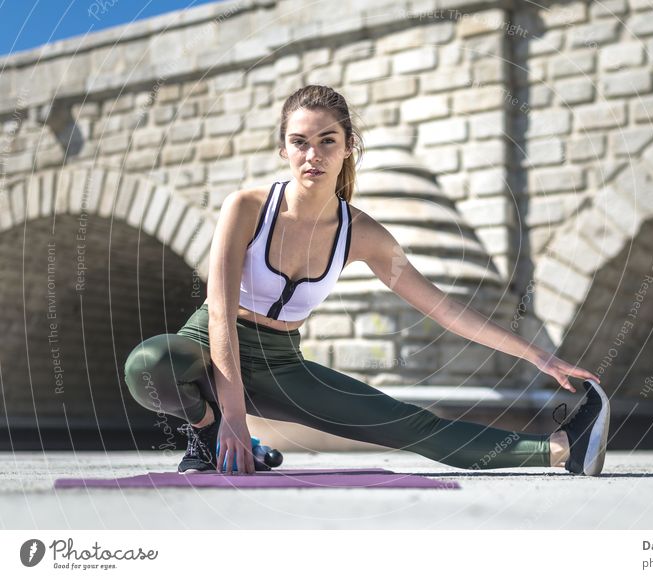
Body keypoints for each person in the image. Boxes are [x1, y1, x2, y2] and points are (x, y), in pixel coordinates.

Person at [123, 84, 610, 477]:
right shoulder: (246, 209)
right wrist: (227, 419)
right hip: (207, 346)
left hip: (281, 366)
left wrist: (538, 355)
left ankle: (563, 448)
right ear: (283, 148)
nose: (312, 154)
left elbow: (443, 309)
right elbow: (220, 314)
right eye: (300, 142)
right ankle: (206, 433)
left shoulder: (364, 235)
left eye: (326, 141)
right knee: (150, 364)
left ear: (348, 147)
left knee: (406, 423)